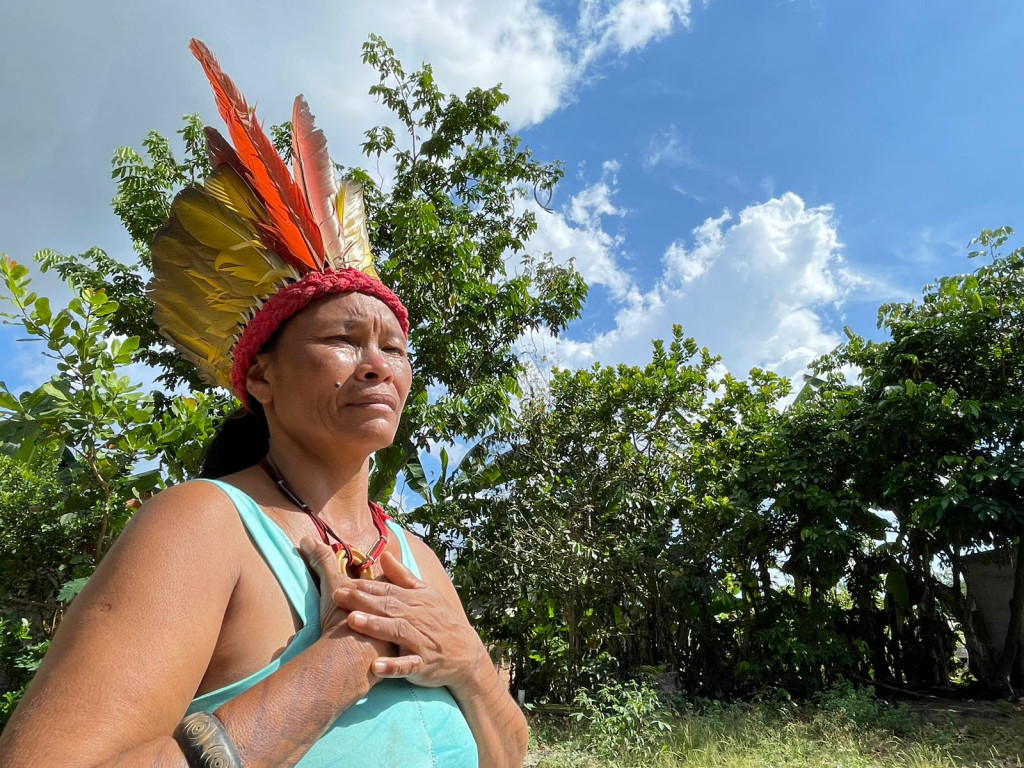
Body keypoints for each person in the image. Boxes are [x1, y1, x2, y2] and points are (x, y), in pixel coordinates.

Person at [0, 39, 527, 768]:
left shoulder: (419, 561)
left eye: (395, 347)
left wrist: (467, 661)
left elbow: (510, 755)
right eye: (343, 339)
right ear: (261, 379)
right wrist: (344, 661)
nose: (378, 364)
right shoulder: (204, 526)